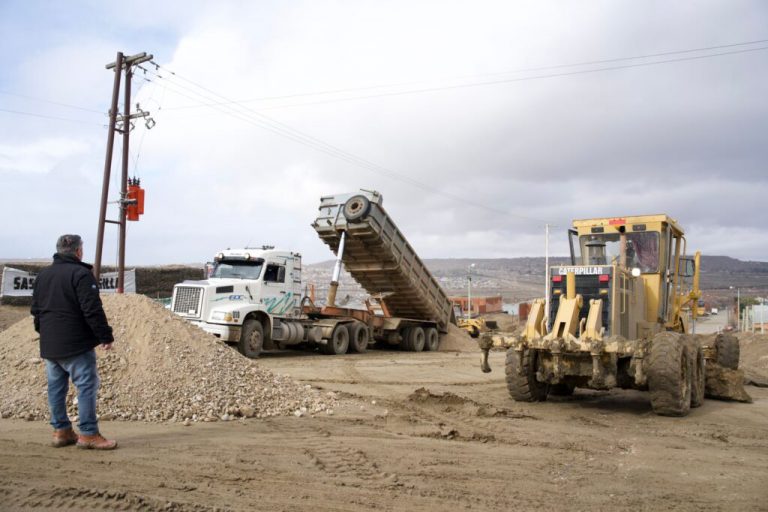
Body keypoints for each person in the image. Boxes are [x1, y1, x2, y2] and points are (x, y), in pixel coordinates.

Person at [31, 234, 117, 450]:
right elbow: (92, 309)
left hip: (50, 344)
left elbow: (36, 310)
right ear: (79, 251)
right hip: (76, 343)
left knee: (55, 388)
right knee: (86, 386)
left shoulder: (43, 275)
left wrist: (45, 333)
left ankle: (61, 431)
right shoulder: (81, 274)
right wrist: (104, 336)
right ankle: (88, 434)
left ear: (58, 250)